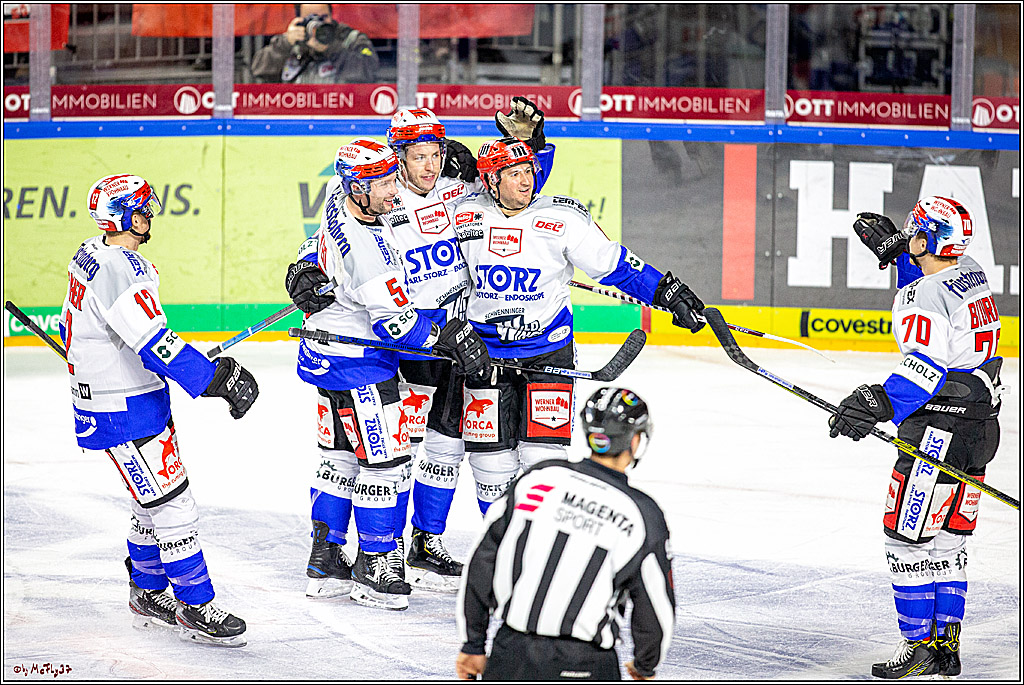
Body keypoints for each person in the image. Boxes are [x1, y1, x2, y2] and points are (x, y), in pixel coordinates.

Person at [283, 138, 491, 610]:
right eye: (379, 183)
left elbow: (318, 247)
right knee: (388, 461)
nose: (392, 188)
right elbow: (396, 323)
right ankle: (375, 565)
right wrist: (450, 337)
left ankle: (326, 559)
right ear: (357, 187)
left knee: (339, 459)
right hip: (359, 363)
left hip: (324, 353)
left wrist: (304, 267)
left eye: (391, 176)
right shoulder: (367, 247)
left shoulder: (340, 204)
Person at [452, 137, 706, 512]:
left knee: (543, 462)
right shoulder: (461, 214)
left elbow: (615, 264)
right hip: (484, 355)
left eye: (529, 171)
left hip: (547, 351)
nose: (526, 181)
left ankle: (539, 541)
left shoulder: (562, 217)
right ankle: (503, 545)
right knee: (489, 462)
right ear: (491, 180)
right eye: (515, 174)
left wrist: (667, 292)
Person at [61, 174, 259, 647]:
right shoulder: (119, 270)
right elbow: (154, 344)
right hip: (121, 406)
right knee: (173, 504)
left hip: (126, 397)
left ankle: (148, 590)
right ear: (123, 214)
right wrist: (217, 379)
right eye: (143, 207)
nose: (150, 213)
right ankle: (196, 604)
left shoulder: (92, 252)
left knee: (148, 499)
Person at [374, 101, 555, 592]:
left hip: (461, 336)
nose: (430, 164)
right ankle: (383, 552)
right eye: (418, 155)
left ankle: (425, 543)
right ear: (398, 153)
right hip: (413, 340)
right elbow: (337, 234)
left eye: (435, 152)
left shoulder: (458, 186)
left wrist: (530, 142)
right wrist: (307, 265)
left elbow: (518, 186)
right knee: (400, 453)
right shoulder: (383, 198)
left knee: (448, 443)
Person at [833, 197, 1003, 679]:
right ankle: (946, 646)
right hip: (981, 425)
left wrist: (875, 404)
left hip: (937, 433)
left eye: (915, 231)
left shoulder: (921, 298)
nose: (909, 235)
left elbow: (921, 372)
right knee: (949, 543)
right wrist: (899, 253)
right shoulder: (970, 269)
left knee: (906, 542)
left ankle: (920, 647)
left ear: (928, 239)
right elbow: (934, 284)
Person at [455, 387, 675, 681]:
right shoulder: (642, 515)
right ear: (636, 441)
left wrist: (473, 643)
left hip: (512, 655)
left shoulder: (537, 479)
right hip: (585, 665)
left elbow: (481, 564)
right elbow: (655, 607)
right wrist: (646, 665)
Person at [251, 3, 378, 84]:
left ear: (331, 16)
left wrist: (331, 48)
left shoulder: (350, 38)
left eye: (323, 18)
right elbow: (258, 70)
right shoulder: (291, 39)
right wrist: (286, 43)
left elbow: (368, 70)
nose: (318, 24)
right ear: (299, 18)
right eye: (311, 18)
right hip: (297, 115)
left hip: (341, 115)